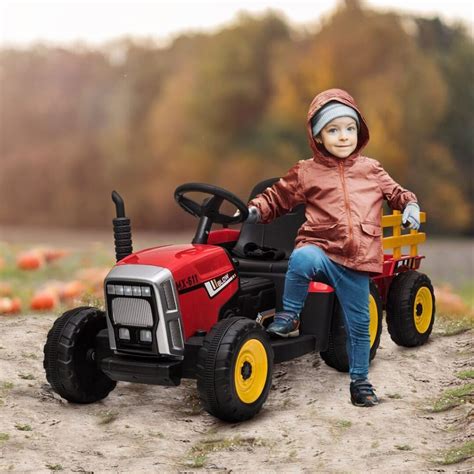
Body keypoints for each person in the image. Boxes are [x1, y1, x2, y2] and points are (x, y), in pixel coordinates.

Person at [246, 88, 420, 407]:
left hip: (357, 261)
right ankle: (290, 317)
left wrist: (409, 204)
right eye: (333, 130)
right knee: (302, 258)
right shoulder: (306, 171)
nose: (343, 137)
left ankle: (360, 382)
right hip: (323, 249)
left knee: (358, 326)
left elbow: (397, 193)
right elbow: (277, 197)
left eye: (349, 129)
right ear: (318, 137)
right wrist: (256, 209)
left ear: (359, 131)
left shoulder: (371, 169)